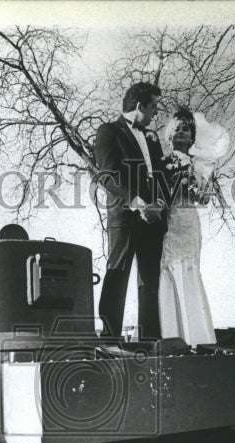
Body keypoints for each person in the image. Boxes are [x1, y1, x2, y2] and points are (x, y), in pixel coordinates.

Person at [93, 82, 167, 340]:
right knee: (118, 274)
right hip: (125, 217)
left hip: (154, 220)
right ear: (139, 106)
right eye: (153, 107)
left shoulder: (151, 138)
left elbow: (159, 176)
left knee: (150, 280)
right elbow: (107, 174)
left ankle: (150, 340)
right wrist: (138, 203)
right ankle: (110, 338)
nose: (156, 112)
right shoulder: (108, 131)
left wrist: (158, 203)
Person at [157, 108, 219, 348]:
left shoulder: (200, 165)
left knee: (191, 268)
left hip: (190, 220)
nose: (181, 132)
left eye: (186, 129)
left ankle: (197, 337)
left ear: (192, 136)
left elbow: (204, 199)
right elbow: (160, 195)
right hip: (170, 220)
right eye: (177, 129)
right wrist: (176, 182)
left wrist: (197, 184)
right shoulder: (162, 163)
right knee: (170, 267)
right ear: (169, 135)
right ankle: (173, 335)